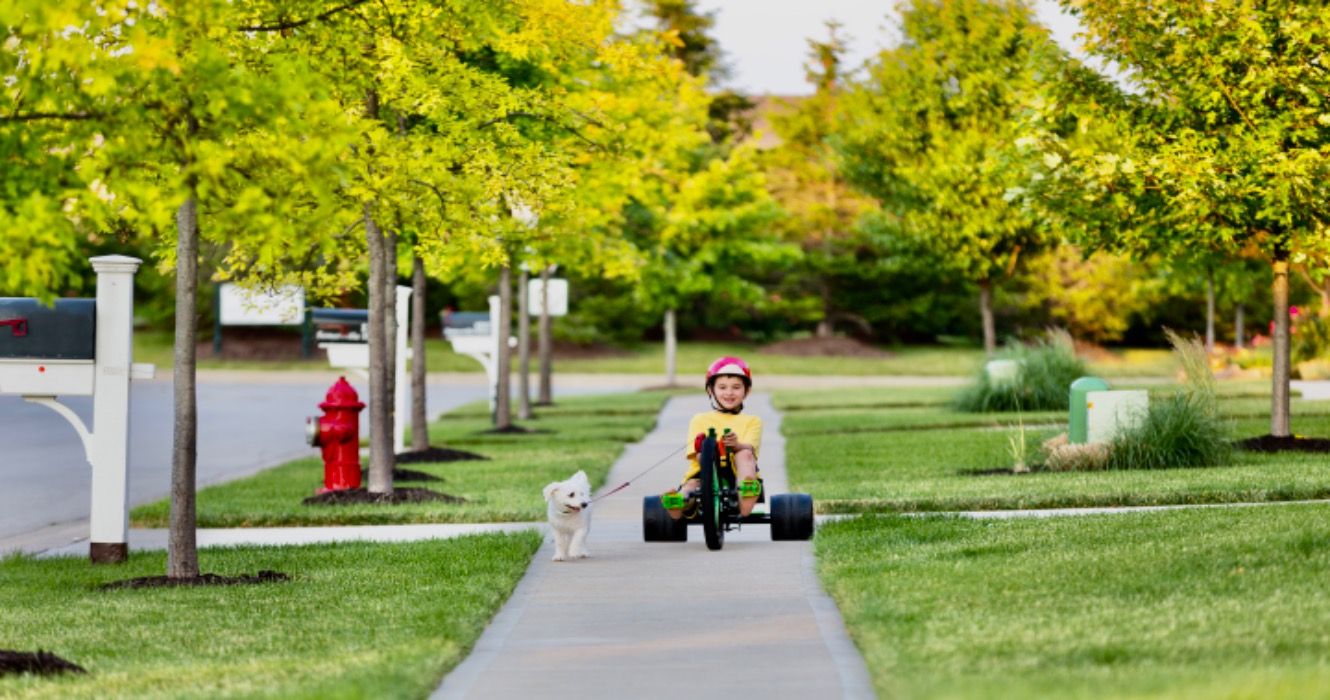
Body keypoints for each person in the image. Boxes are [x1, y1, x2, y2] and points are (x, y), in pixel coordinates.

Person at [661, 356, 763, 520]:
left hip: (738, 473)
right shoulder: (699, 419)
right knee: (693, 486)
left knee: (744, 454)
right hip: (704, 472)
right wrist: (711, 453)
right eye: (722, 387)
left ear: (747, 391)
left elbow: (750, 448)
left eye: (736, 387)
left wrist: (736, 444)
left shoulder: (752, 421)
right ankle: (680, 501)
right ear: (711, 390)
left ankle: (747, 492)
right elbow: (697, 454)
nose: (729, 392)